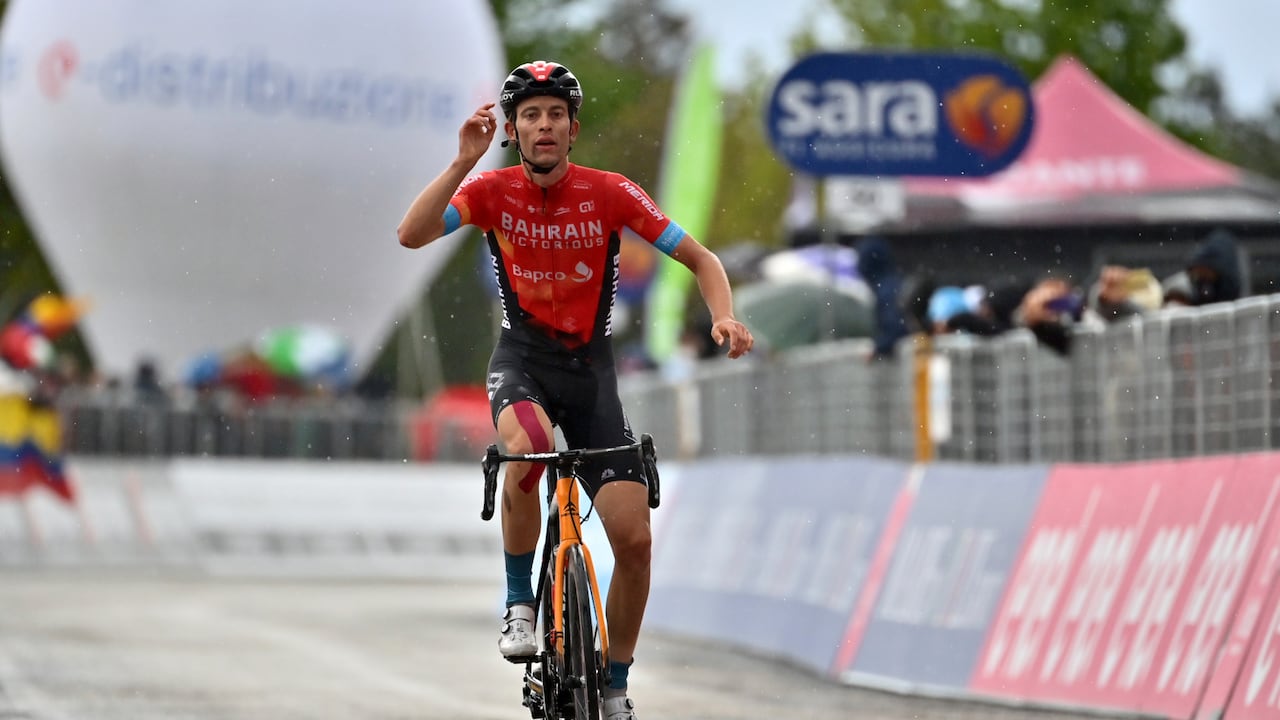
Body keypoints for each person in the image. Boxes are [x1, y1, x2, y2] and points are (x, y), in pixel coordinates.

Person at [396, 60, 754, 720]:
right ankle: (518, 604)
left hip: (591, 378)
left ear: (572, 129)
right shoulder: (492, 191)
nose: (543, 126)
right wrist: (462, 163)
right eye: (529, 115)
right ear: (514, 130)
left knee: (637, 545)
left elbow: (701, 258)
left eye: (554, 114)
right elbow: (411, 234)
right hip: (522, 365)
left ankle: (614, 684)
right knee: (528, 451)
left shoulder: (612, 192)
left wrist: (722, 314)